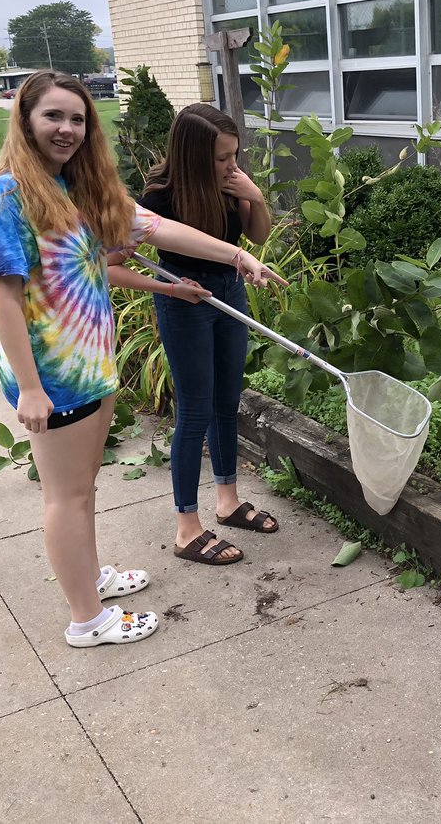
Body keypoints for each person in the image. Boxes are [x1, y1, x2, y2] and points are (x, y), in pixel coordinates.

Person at [0, 71, 286, 648]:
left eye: (77, 119)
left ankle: (91, 580)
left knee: (84, 488)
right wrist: (31, 387)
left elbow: (158, 226)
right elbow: (6, 301)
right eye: (53, 117)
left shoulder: (75, 187)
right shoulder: (8, 196)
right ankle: (87, 620)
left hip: (93, 363)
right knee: (65, 496)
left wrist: (237, 257)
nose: (67, 129)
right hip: (53, 377)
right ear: (24, 119)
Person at [108, 103, 277, 568]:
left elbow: (256, 239)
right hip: (185, 303)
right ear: (193, 155)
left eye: (235, 154)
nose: (231, 165)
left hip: (230, 295)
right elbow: (112, 264)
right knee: (196, 409)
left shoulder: (232, 184)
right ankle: (187, 528)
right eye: (222, 157)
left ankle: (227, 501)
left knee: (227, 401)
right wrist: (170, 288)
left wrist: (254, 195)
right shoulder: (159, 198)